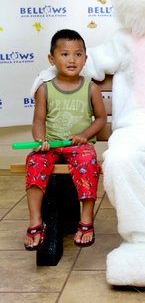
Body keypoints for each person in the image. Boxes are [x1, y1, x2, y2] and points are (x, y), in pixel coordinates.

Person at [24, 29, 107, 251]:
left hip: (78, 148)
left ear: (85, 59)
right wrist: (39, 140)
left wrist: (85, 135)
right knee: (34, 161)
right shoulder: (45, 89)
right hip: (50, 146)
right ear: (52, 59)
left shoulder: (91, 88)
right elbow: (39, 121)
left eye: (78, 54)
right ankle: (35, 221)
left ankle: (86, 220)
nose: (72, 60)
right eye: (65, 54)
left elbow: (100, 118)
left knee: (89, 162)